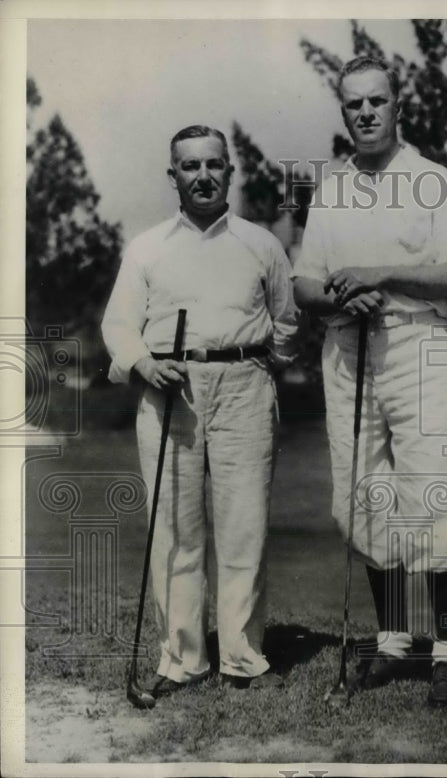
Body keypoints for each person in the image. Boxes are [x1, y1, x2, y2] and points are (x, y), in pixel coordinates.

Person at [292, 56, 447, 707]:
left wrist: (383, 275)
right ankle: (395, 640)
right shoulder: (331, 189)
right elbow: (304, 284)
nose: (366, 112)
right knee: (366, 495)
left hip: (420, 347)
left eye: (377, 101)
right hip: (350, 349)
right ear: (343, 112)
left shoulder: (433, 182)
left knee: (441, 491)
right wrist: (341, 298)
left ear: (397, 105)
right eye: (354, 104)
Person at [102, 125, 297, 696]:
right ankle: (184, 657)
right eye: (190, 167)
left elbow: (285, 326)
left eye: (214, 164)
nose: (204, 176)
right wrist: (143, 363)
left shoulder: (262, 244)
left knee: (244, 527)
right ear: (174, 177)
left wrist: (255, 367)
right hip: (170, 389)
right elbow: (118, 324)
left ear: (230, 172)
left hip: (244, 387)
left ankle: (242, 656)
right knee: (176, 529)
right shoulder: (147, 247)